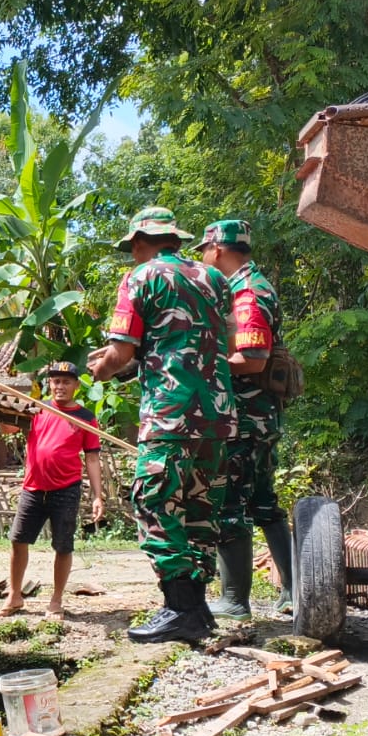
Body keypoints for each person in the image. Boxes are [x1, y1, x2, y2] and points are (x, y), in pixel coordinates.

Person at [87, 207, 237, 645]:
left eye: (131, 248)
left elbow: (119, 355)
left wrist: (102, 369)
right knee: (200, 507)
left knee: (153, 500)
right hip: (218, 415)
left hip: (170, 412)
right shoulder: (215, 280)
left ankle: (180, 606)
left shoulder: (140, 278)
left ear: (138, 242)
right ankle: (198, 604)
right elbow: (212, 339)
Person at [196, 220, 294, 620]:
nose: (202, 257)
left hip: (245, 418)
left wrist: (205, 366)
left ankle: (235, 599)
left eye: (204, 249)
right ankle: (293, 590)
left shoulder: (246, 292)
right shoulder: (252, 286)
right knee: (264, 502)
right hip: (260, 416)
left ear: (218, 249)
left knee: (230, 503)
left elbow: (252, 359)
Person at [0, 361, 105, 620]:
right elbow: (8, 428)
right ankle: (14, 596)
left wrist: (98, 495)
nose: (60, 386)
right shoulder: (37, 409)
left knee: (63, 546)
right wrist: (2, 408)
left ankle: (56, 601)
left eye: (66, 381)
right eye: (55, 381)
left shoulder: (86, 418)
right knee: (18, 541)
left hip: (66, 489)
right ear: (49, 384)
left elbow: (92, 458)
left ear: (76, 386)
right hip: (33, 488)